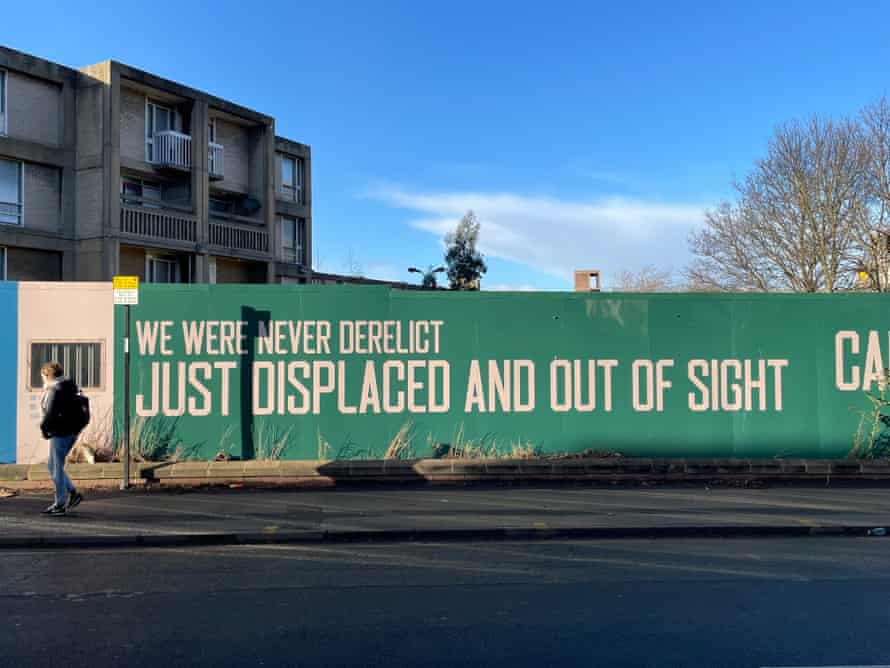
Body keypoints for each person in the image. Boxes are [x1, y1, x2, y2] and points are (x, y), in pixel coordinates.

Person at [39, 362, 84, 516]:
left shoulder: (54, 390)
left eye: (43, 376)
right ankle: (73, 492)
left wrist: (44, 429)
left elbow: (49, 413)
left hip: (60, 432)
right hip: (71, 431)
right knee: (53, 466)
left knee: (56, 468)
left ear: (47, 375)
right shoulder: (69, 385)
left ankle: (60, 504)